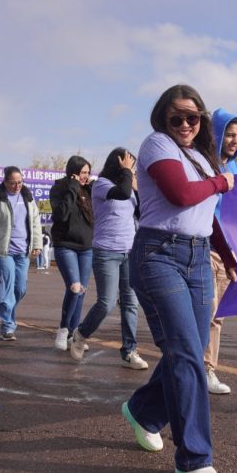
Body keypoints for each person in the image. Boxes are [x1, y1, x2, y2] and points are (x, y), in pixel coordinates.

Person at [121, 84, 234, 473]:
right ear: (163, 119)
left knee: (189, 349)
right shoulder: (157, 145)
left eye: (193, 117)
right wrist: (221, 182)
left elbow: (206, 215)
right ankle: (194, 458)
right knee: (186, 351)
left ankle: (144, 411)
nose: (185, 124)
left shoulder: (202, 158)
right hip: (159, 255)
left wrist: (229, 256)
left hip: (199, 256)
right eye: (177, 117)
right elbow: (181, 194)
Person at [69, 147, 149, 369]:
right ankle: (81, 333)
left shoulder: (129, 187)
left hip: (129, 251)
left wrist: (137, 189)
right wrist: (128, 174)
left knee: (131, 303)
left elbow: (143, 212)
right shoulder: (101, 185)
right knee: (106, 302)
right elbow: (121, 193)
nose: (132, 170)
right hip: (107, 252)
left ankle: (129, 351)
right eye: (129, 165)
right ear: (118, 165)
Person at [201, 108, 237, 394]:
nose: (234, 141)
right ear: (216, 134)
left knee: (217, 316)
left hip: (229, 253)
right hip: (204, 248)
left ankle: (208, 369)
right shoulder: (203, 165)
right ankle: (197, 369)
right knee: (206, 312)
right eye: (229, 134)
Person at [0, 166, 42, 341]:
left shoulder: (28, 197)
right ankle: (8, 326)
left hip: (23, 251)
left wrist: (37, 244)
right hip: (3, 250)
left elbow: (35, 222)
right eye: (13, 183)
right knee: (5, 286)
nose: (17, 186)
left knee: (20, 288)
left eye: (20, 182)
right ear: (4, 182)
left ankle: (7, 313)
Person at [50, 156, 94, 351]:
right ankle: (63, 329)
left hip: (86, 248)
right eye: (82, 172)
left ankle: (73, 334)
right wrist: (73, 187)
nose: (86, 176)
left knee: (81, 291)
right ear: (73, 173)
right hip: (65, 245)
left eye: (88, 173)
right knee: (74, 288)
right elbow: (61, 214)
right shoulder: (59, 188)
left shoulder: (89, 190)